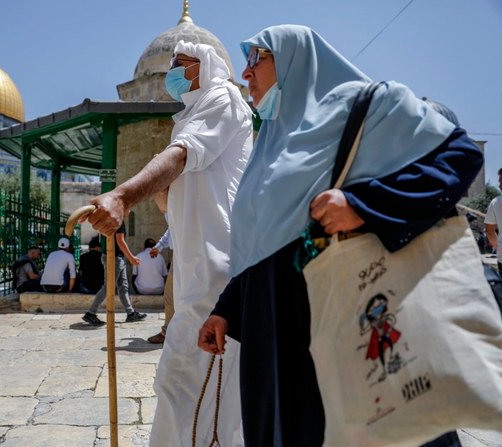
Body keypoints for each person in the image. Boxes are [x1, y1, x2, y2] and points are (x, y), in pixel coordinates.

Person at [196, 25, 482, 447]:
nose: (245, 73)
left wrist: (362, 205)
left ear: (297, 62)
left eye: (258, 57)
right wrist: (227, 309)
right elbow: (264, 241)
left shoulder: (362, 114)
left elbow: (459, 155)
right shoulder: (272, 142)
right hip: (276, 332)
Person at [82, 40, 253, 446]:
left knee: (189, 388)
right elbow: (169, 196)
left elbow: (180, 157)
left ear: (204, 67)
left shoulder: (222, 97)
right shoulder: (189, 118)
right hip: (197, 275)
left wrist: (122, 196)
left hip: (218, 275)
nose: (173, 73)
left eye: (181, 64)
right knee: (182, 386)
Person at [81, 222, 146, 326]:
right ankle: (90, 313)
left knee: (123, 286)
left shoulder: (109, 219)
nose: (129, 211)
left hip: (114, 257)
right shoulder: (118, 221)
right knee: (108, 287)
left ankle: (131, 313)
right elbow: (120, 240)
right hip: (114, 258)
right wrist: (131, 258)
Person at [147, 221, 174, 344]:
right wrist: (159, 246)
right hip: (181, 255)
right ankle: (168, 332)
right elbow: (173, 227)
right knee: (170, 295)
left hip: (195, 253)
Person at [485, 168, 502, 271]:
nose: (499, 184)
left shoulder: (495, 203)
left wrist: (498, 247)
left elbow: (489, 230)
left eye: (500, 180)